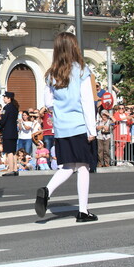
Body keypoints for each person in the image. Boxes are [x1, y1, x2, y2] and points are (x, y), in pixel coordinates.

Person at [34, 32, 98, 223]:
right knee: (84, 167)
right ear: (74, 47)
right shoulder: (81, 71)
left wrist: (61, 111)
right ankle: (83, 210)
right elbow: (87, 101)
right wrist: (92, 130)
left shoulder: (51, 74)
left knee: (68, 165)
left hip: (62, 128)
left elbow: (48, 102)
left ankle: (47, 190)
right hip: (79, 125)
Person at [0, 91, 19, 177]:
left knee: (9, 151)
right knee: (13, 151)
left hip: (7, 131)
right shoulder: (15, 107)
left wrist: (0, 125)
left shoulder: (6, 108)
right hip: (14, 131)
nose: (4, 99)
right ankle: (15, 169)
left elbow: (3, 120)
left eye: (5, 97)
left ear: (8, 98)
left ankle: (11, 169)